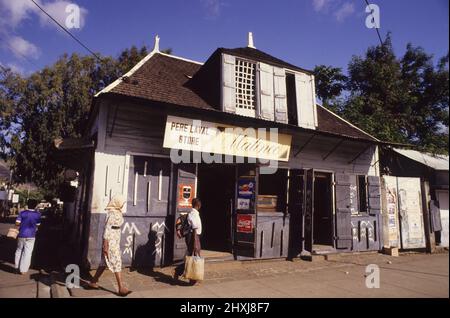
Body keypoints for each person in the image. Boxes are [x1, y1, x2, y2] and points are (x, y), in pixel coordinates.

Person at [87, 194, 132, 297]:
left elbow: (117, 229)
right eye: (122, 202)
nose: (123, 204)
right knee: (117, 262)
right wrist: (105, 246)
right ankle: (121, 288)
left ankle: (93, 282)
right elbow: (107, 230)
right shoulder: (111, 213)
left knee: (104, 263)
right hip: (110, 242)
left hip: (115, 241)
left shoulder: (118, 212)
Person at [174, 198, 202, 285]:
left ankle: (192, 278)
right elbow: (194, 228)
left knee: (193, 256)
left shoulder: (194, 213)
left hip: (194, 236)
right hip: (193, 237)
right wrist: (195, 242)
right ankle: (181, 272)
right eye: (199, 204)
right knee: (192, 256)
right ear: (198, 205)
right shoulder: (193, 214)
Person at [14, 199, 41, 275]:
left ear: (27, 205)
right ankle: (23, 270)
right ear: (35, 205)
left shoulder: (22, 213)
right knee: (28, 253)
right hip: (31, 235)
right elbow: (38, 225)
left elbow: (17, 223)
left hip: (21, 234)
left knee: (19, 250)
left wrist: (22, 224)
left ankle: (16, 267)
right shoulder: (38, 214)